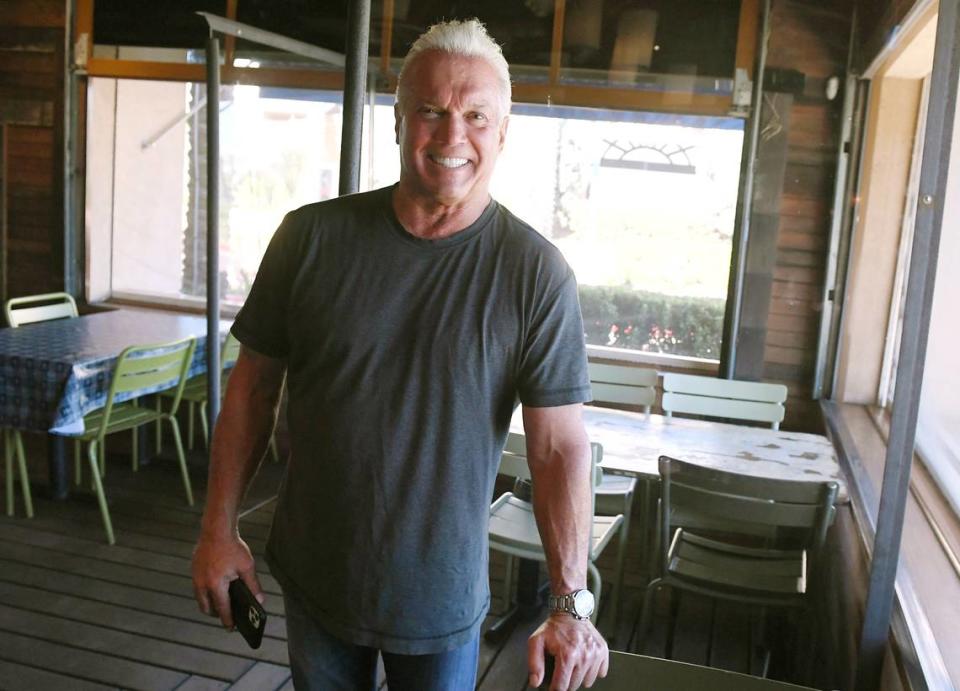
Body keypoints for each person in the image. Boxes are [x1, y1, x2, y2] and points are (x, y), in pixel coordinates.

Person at [191, 17, 609, 691]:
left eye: (476, 115)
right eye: (431, 112)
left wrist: (567, 599)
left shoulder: (535, 272)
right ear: (397, 120)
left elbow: (559, 447)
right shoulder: (309, 238)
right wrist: (217, 528)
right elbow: (251, 390)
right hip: (315, 574)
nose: (451, 137)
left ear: (503, 133)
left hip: (441, 599)